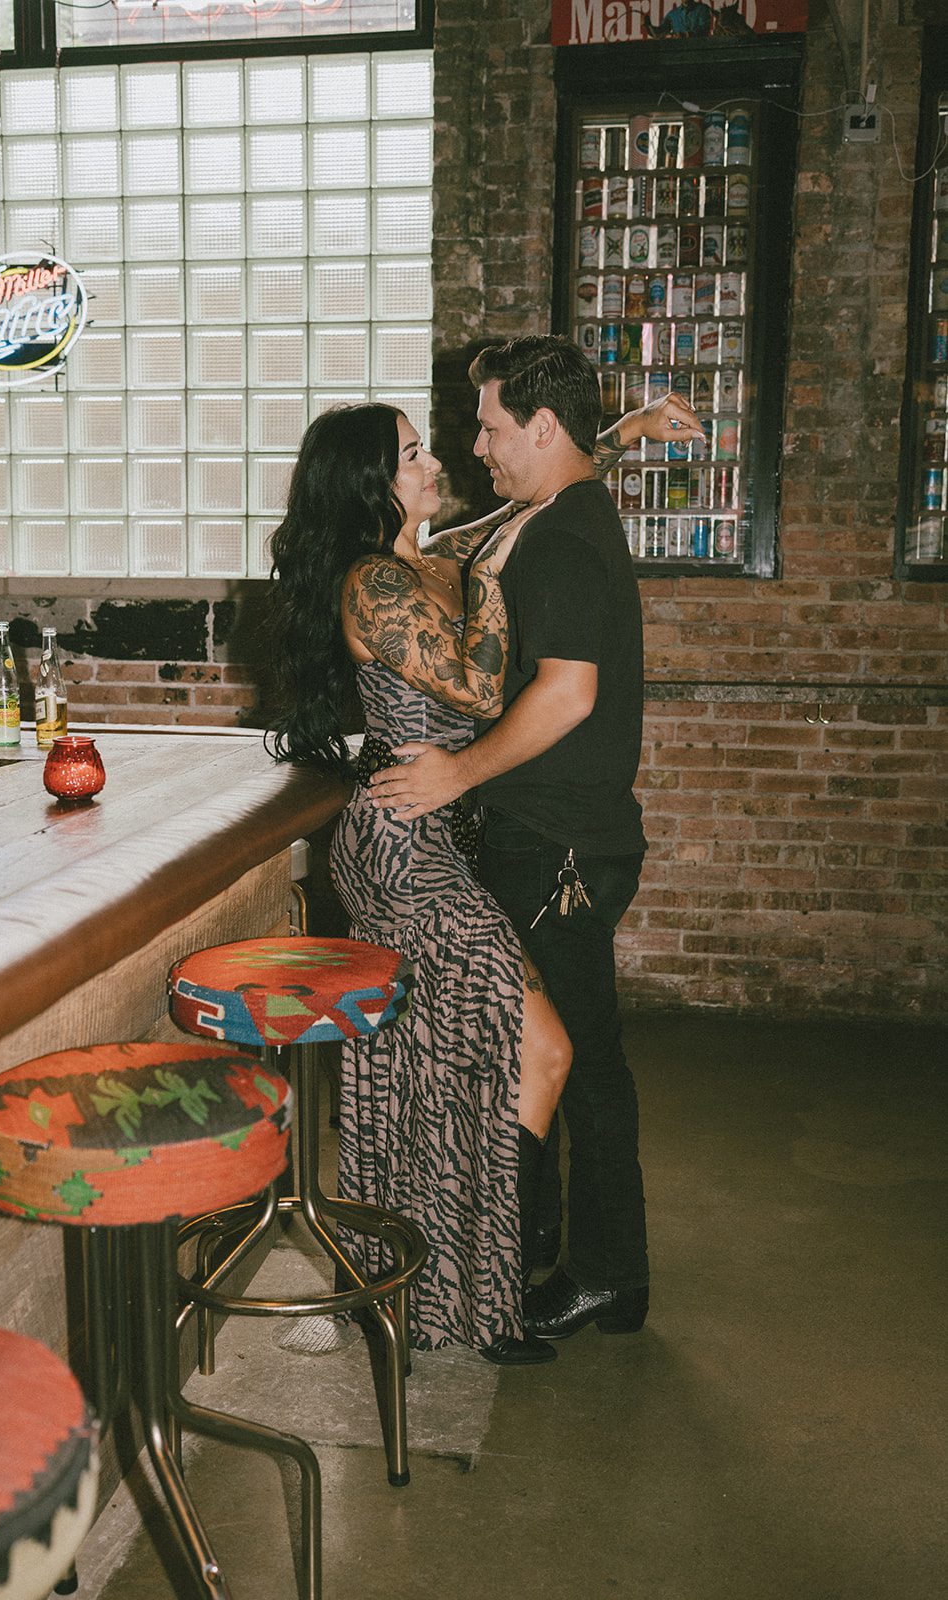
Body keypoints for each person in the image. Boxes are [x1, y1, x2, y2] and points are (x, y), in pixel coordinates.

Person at [270, 382, 699, 1363]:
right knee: (529, 1055)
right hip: (402, 852)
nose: (440, 464)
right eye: (416, 454)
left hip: (437, 841)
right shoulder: (376, 583)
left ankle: (459, 1288)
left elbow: (530, 499)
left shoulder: (427, 557)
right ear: (374, 485)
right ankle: (471, 1288)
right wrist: (499, 576)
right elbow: (475, 682)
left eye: (439, 445)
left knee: (448, 1071)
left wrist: (619, 438)